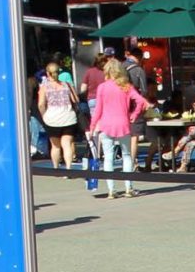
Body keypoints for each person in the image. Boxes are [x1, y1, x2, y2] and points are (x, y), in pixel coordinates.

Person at [91, 58, 150, 198]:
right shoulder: (126, 86)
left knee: (108, 157)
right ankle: (128, 188)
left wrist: (92, 126)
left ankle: (111, 190)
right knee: (127, 155)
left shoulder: (102, 87)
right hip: (123, 124)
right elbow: (141, 101)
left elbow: (98, 109)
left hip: (106, 125)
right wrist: (134, 115)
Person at [36, 59, 81, 168]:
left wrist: (44, 115)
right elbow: (76, 100)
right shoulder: (67, 85)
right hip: (68, 117)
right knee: (67, 145)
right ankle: (68, 168)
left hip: (52, 119)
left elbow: (41, 104)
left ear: (47, 73)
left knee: (55, 146)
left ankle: (56, 168)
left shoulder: (44, 87)